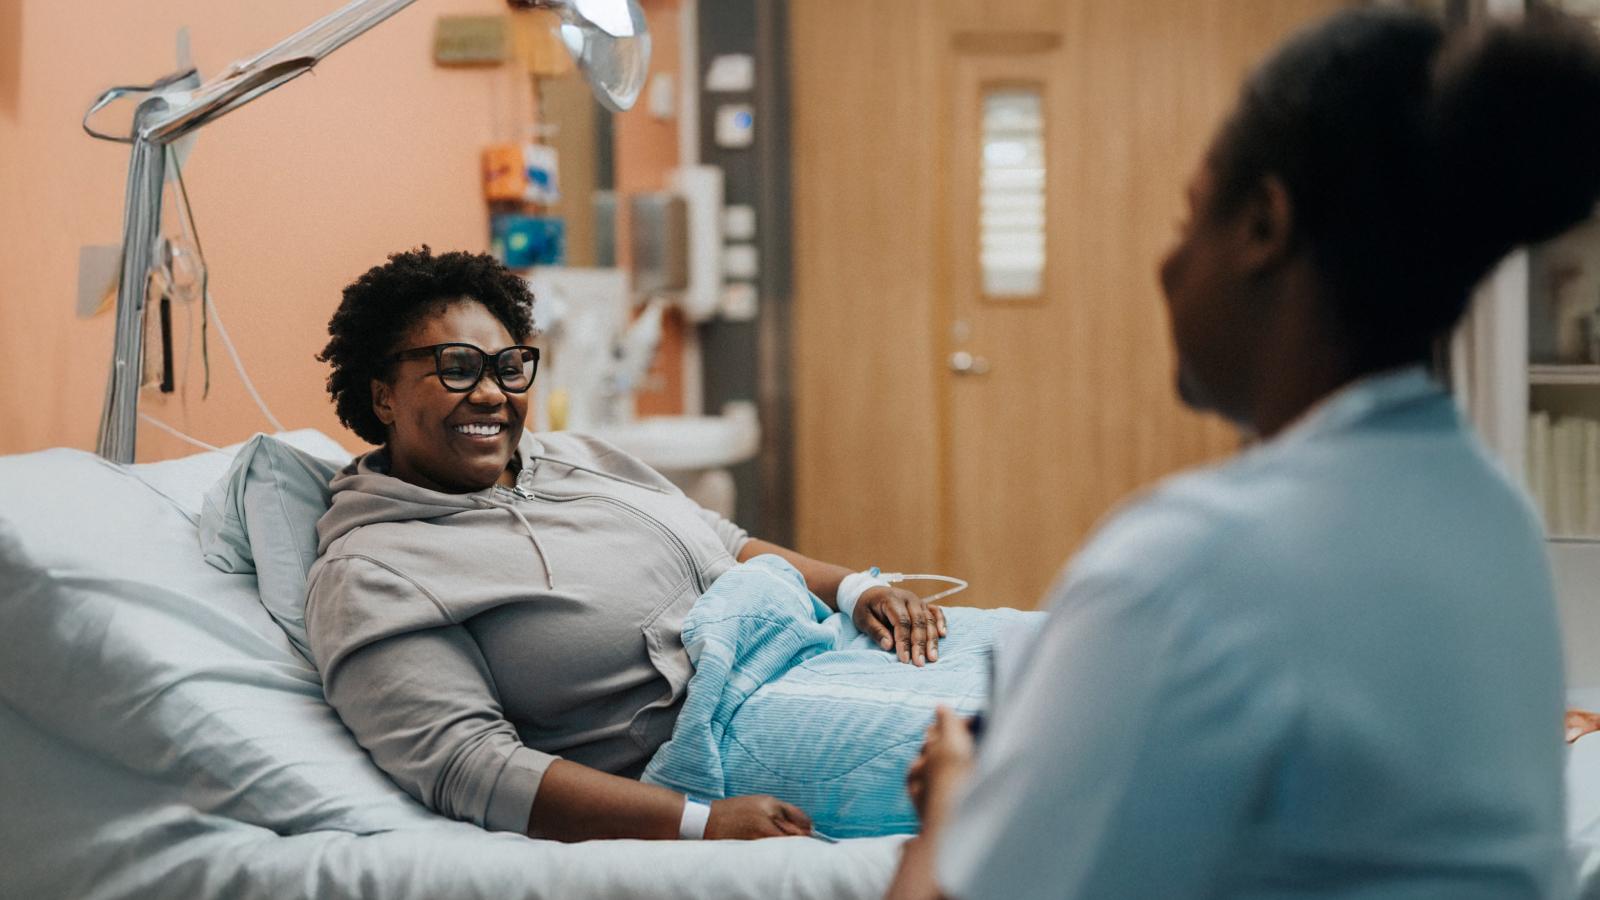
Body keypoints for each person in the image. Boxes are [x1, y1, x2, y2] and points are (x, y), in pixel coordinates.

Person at [889, 7, 1600, 898]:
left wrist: (952, 803)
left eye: (1187, 216)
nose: (1165, 264)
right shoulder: (1498, 523)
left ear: (1264, 227)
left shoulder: (1185, 569)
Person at [306, 247, 949, 842]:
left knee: (1033, 666)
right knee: (1009, 751)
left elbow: (719, 539)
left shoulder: (573, 456)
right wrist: (700, 823)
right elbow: (472, 768)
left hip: (823, 647)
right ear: (383, 394)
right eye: (455, 368)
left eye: (508, 367)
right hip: (732, 733)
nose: (491, 393)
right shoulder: (374, 571)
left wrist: (854, 589)